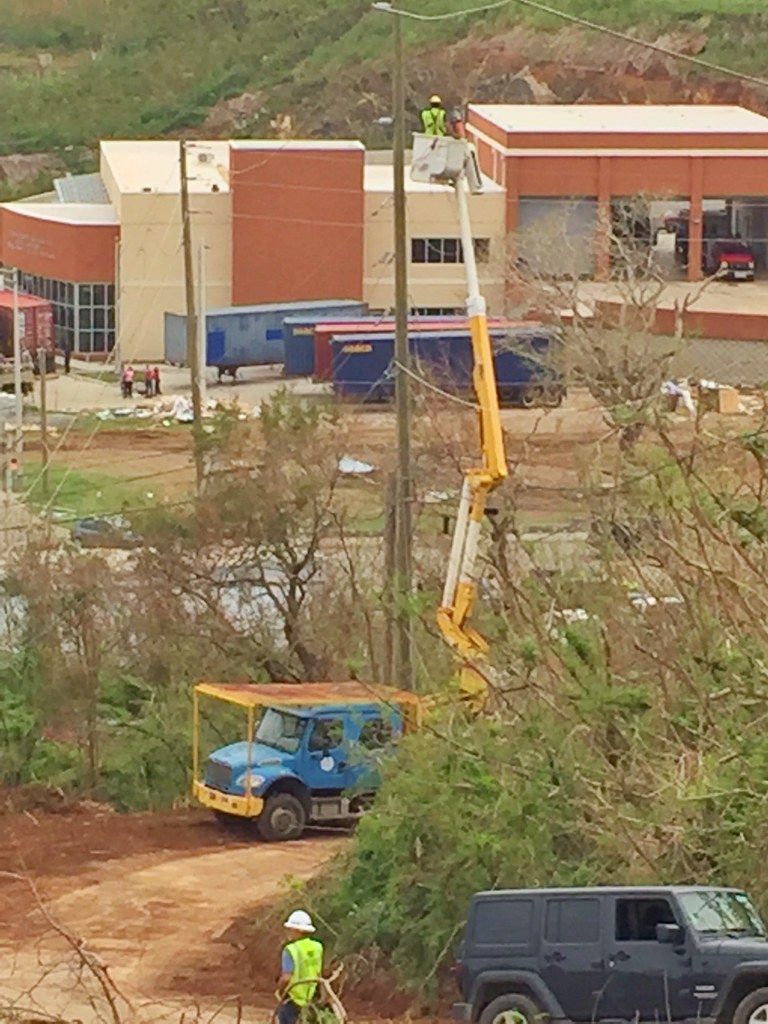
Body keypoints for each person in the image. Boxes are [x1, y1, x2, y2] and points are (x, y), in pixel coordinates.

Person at [277, 910, 323, 1024]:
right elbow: (318, 973)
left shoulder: (291, 950)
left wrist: (280, 992)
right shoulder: (317, 947)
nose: (288, 932)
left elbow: (286, 978)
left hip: (293, 1000)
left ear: (297, 930)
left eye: (290, 929)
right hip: (311, 998)